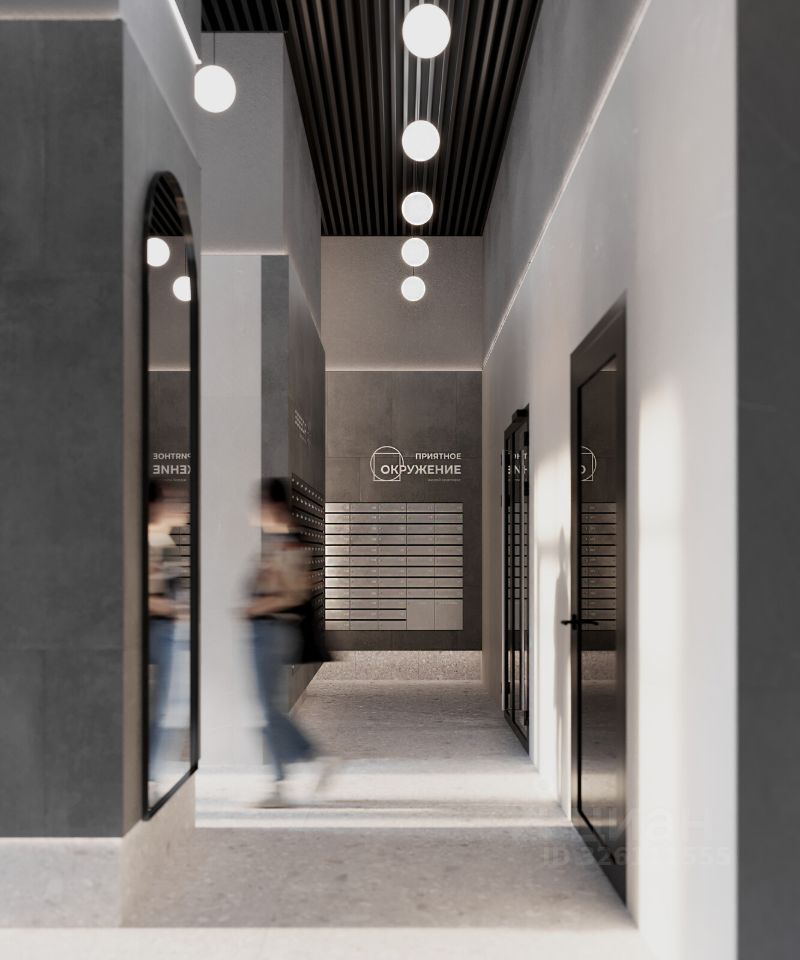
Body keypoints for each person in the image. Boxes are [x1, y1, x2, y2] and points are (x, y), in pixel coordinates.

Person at [245, 478, 337, 806]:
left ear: (272, 506)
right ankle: (290, 774)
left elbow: (291, 595)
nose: (254, 511)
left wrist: (253, 608)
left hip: (272, 632)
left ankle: (299, 769)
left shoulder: (288, 546)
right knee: (264, 709)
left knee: (266, 710)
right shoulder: (277, 543)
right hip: (266, 632)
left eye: (259, 504)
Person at [147, 480, 186, 788]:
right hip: (160, 631)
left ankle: (153, 770)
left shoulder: (164, 542)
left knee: (170, 706)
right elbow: (145, 596)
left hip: (169, 631)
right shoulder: (151, 543)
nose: (179, 507)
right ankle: (150, 773)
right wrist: (175, 609)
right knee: (165, 707)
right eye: (170, 501)